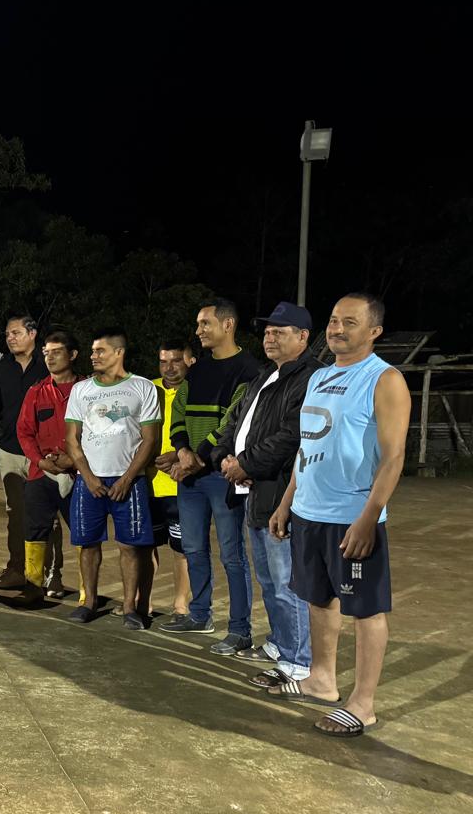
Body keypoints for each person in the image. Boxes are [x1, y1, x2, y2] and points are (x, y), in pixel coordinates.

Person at [270, 294, 409, 738]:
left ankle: (363, 704)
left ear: (374, 331)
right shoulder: (321, 376)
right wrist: (287, 502)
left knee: (365, 609)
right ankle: (322, 680)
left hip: (352, 515)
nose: (337, 329)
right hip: (309, 512)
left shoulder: (384, 379)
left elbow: (394, 456)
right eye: (333, 320)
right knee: (319, 599)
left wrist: (369, 517)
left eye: (350, 322)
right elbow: (307, 444)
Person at [211, 302, 323, 673]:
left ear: (303, 337)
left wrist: (245, 465)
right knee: (268, 580)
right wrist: (225, 459)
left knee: (287, 582)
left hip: (281, 493)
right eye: (268, 332)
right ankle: (280, 644)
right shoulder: (264, 376)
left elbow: (292, 436)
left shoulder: (311, 378)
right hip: (253, 492)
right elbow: (234, 423)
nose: (269, 338)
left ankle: (298, 662)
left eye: (280, 332)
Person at [158, 298, 261, 637]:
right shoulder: (199, 369)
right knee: (193, 549)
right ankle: (199, 615)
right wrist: (182, 450)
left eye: (205, 323)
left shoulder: (249, 370)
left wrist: (197, 457)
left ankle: (239, 629)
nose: (199, 330)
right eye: (198, 323)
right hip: (191, 477)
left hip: (222, 476)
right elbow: (178, 411)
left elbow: (232, 421)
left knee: (232, 555)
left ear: (228, 325)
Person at [64, 328, 162, 629]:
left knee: (130, 546)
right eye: (93, 351)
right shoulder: (81, 390)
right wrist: (88, 477)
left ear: (119, 352)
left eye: (100, 351)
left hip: (129, 481)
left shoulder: (142, 387)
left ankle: (130, 607)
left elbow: (149, 440)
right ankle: (89, 602)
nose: (93, 356)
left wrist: (127, 478)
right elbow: (72, 439)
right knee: (88, 544)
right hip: (89, 481)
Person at [14, 330, 79, 607]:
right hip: (41, 473)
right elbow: (24, 432)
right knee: (35, 530)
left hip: (79, 474)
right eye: (46, 353)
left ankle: (88, 591)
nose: (50, 358)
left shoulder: (87, 390)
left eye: (56, 352)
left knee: (84, 532)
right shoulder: (36, 392)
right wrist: (40, 461)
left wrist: (73, 460)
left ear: (73, 355)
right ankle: (33, 586)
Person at [0, 314, 49, 589]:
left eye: (15, 333)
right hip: (11, 449)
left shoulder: (47, 364)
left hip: (44, 453)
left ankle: (51, 573)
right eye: (7, 334)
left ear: (32, 333)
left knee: (47, 514)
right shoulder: (2, 367)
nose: (10, 338)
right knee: (15, 513)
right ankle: (16, 569)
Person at [150, 340, 195, 619]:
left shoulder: (198, 390)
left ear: (191, 361)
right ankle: (143, 601)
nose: (169, 367)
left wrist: (179, 456)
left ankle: (181, 604)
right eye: (163, 361)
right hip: (147, 483)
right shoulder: (147, 388)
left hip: (181, 485)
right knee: (145, 546)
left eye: (176, 360)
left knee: (182, 549)